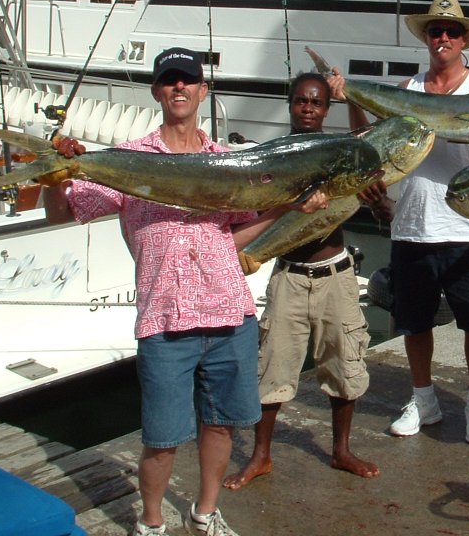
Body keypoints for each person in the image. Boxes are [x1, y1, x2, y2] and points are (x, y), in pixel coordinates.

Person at [42, 47, 327, 536]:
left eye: (187, 80)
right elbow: (60, 212)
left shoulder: (228, 163)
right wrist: (54, 175)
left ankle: (205, 513)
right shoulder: (132, 160)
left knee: (219, 426)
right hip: (165, 320)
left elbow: (230, 236)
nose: (179, 88)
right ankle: (151, 524)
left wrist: (289, 208)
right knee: (162, 439)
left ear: (201, 90)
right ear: (157, 90)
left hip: (228, 314)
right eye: (169, 80)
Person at [330, 0, 469, 444]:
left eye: (451, 31)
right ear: (427, 38)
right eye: (435, 30)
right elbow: (368, 137)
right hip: (413, 226)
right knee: (414, 322)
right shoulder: (407, 92)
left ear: (463, 40)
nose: (443, 37)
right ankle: (424, 401)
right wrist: (348, 97)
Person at [223, 73, 379, 490]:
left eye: (317, 103)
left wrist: (352, 99)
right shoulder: (273, 154)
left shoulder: (340, 151)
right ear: (290, 104)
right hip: (289, 275)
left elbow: (367, 143)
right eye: (301, 101)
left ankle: (341, 449)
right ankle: (261, 455)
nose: (308, 108)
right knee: (271, 370)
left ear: (327, 109)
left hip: (337, 275)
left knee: (344, 366)